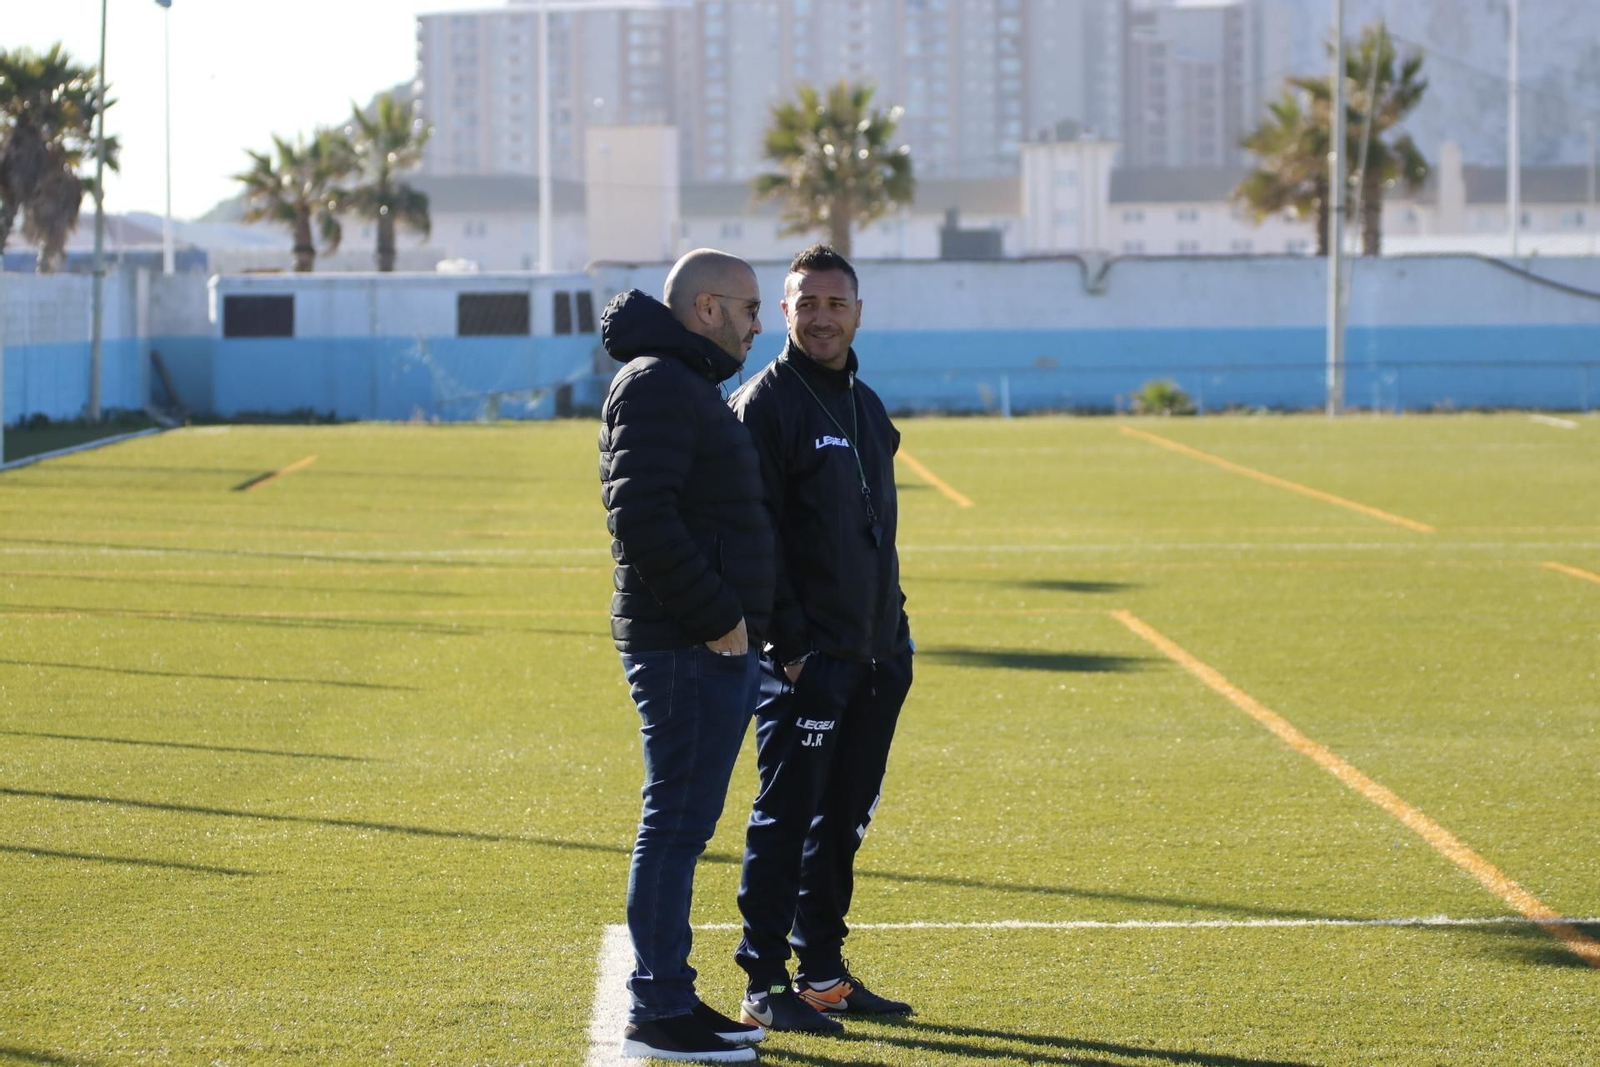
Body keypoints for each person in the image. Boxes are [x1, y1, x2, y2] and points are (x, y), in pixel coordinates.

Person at [727, 245, 915, 1034]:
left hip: (877, 653)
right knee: (787, 814)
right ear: (784, 312)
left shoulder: (868, 406)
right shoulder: (765, 405)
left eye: (836, 303)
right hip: (807, 660)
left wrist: (894, 628)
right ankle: (765, 979)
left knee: (843, 820)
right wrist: (792, 646)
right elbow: (750, 536)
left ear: (858, 312)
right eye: (807, 303)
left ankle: (825, 972)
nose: (822, 317)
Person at [598, 248, 773, 1063]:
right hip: (688, 645)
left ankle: (670, 994)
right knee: (673, 827)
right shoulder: (661, 382)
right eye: (747, 307)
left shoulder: (678, 380)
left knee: (681, 826)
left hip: (701, 643)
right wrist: (720, 622)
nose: (758, 323)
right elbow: (640, 513)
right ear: (706, 308)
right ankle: (660, 1007)